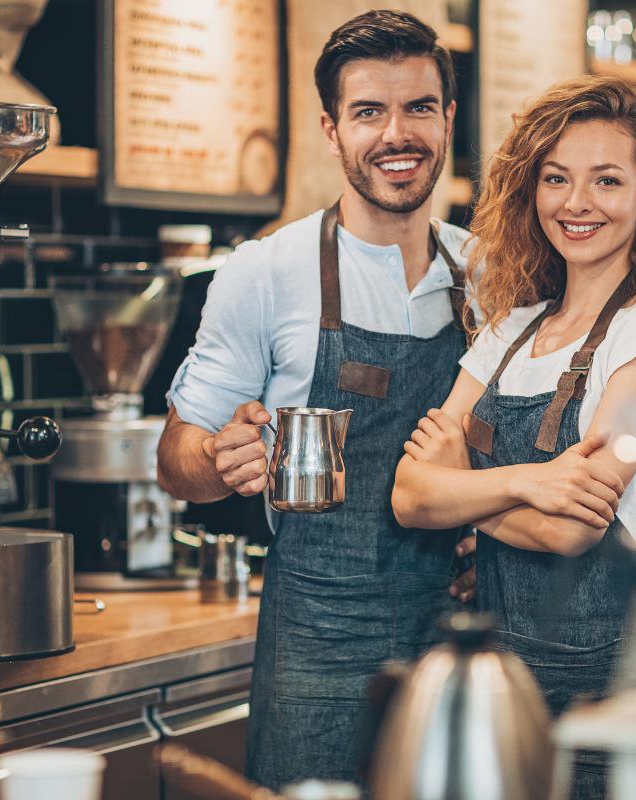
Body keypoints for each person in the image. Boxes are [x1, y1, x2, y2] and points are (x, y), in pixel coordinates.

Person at [156, 10, 572, 791]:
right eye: (368, 112)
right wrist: (217, 456)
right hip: (317, 644)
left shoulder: (492, 277)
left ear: (448, 119)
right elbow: (175, 460)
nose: (396, 134)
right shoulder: (265, 272)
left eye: (418, 108)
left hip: (464, 640)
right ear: (331, 129)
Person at [392, 76, 636, 798]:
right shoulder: (510, 331)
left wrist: (462, 491)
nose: (577, 203)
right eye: (555, 178)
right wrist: (529, 481)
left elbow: (574, 528)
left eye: (607, 180)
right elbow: (409, 498)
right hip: (507, 699)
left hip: (613, 709)